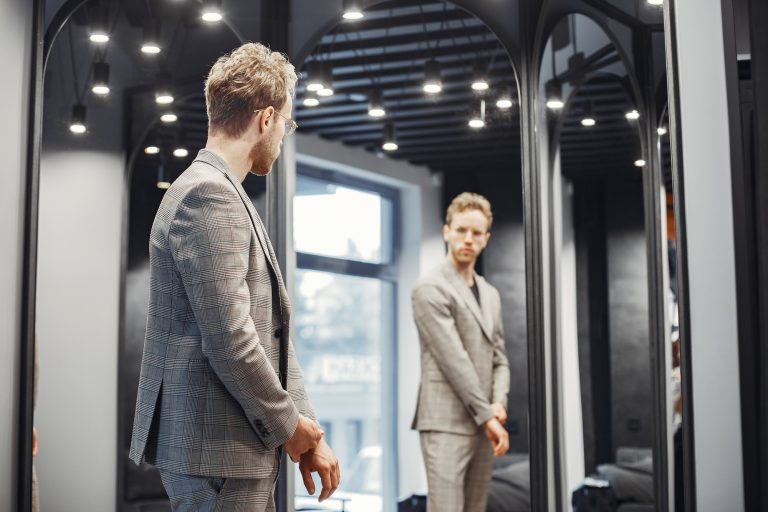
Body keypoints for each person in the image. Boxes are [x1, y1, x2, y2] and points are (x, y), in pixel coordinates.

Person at [129, 42, 339, 511]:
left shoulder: (224, 192)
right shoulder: (209, 195)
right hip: (216, 453)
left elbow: (273, 337)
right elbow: (232, 341)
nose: (284, 135)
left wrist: (307, 429)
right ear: (265, 119)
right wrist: (291, 428)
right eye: (286, 122)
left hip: (231, 452)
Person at [411, 192, 511, 512]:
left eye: (476, 233)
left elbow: (500, 358)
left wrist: (498, 403)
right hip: (446, 423)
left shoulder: (490, 294)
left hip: (484, 421)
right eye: (461, 230)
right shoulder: (429, 288)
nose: (468, 239)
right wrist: (488, 417)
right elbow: (454, 361)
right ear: (446, 232)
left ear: (486, 239)